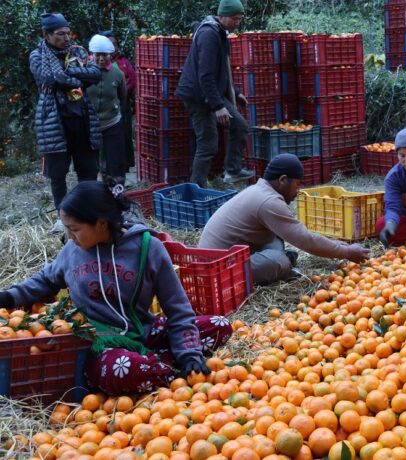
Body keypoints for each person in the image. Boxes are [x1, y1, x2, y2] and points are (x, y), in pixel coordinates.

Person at [0, 182, 232, 395]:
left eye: (75, 229)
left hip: (144, 331)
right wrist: (8, 297)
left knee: (220, 325)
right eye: (67, 229)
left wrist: (189, 354)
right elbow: (43, 281)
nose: (69, 236)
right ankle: (164, 370)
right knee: (125, 369)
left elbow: (177, 307)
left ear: (101, 223)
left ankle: (159, 361)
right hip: (98, 343)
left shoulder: (148, 248)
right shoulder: (72, 251)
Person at [198, 154, 370, 285]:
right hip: (218, 268)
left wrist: (343, 247)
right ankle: (283, 260)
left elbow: (296, 233)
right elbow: (305, 240)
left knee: (278, 236)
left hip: (237, 251)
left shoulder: (261, 190)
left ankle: (280, 258)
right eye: (297, 184)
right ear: (283, 180)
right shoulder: (269, 202)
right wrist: (346, 252)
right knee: (279, 262)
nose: (298, 190)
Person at [30, 13, 102, 233]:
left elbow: (95, 74)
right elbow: (49, 78)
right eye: (60, 34)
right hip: (54, 121)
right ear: (46, 34)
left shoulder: (78, 51)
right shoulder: (37, 55)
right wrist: (77, 79)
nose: (66, 38)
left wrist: (67, 72)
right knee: (57, 173)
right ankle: (63, 218)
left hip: (82, 118)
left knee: (88, 169)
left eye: (68, 33)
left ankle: (86, 211)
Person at [175, 0, 254, 187]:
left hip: (211, 92)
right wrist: (218, 106)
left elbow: (222, 71)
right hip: (197, 96)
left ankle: (232, 170)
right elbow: (205, 75)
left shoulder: (220, 33)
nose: (237, 22)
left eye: (240, 19)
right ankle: (197, 187)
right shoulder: (208, 35)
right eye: (235, 18)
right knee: (208, 143)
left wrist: (235, 92)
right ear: (222, 16)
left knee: (240, 126)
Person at [85, 34, 128, 185]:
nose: (102, 59)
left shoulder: (118, 74)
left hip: (112, 124)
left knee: (115, 163)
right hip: (89, 126)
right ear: (92, 55)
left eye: (105, 55)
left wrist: (115, 113)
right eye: (98, 55)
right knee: (90, 165)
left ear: (111, 55)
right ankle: (94, 194)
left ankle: (117, 195)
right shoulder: (83, 72)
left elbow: (122, 98)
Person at [101, 30, 137, 172]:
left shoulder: (123, 61)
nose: (113, 46)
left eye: (115, 43)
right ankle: (106, 167)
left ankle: (124, 165)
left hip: (123, 104)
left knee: (124, 135)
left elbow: (132, 79)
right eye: (110, 44)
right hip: (107, 107)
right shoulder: (99, 63)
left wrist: (123, 92)